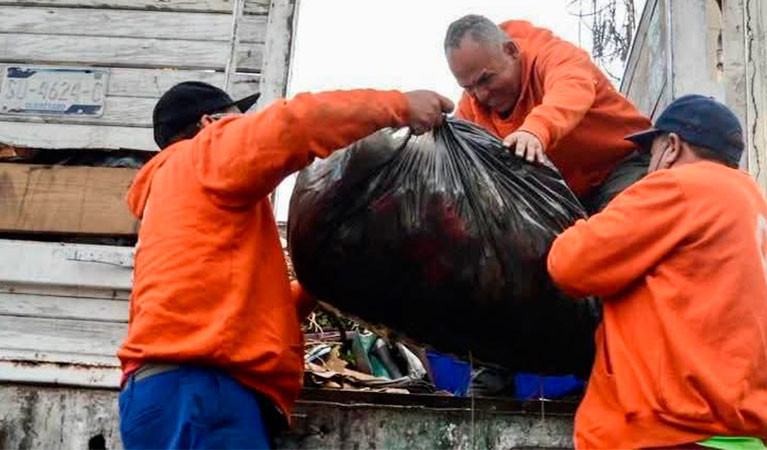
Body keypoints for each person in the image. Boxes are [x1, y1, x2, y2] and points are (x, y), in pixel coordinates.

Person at [117, 81, 453, 449]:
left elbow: (245, 315)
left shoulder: (176, 199)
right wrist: (400, 106)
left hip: (156, 395)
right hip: (202, 394)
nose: (244, 126)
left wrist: (314, 288)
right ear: (209, 122)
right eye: (238, 119)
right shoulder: (206, 153)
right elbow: (297, 122)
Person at [547, 95, 767, 449]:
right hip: (741, 431)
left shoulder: (680, 186)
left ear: (672, 147)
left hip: (671, 430)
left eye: (650, 155)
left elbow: (570, 264)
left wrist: (576, 225)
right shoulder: (753, 207)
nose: (648, 169)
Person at [444, 14, 652, 213]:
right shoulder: (470, 108)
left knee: (619, 227)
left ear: (511, 51)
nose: (481, 95)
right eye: (469, 88)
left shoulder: (553, 54)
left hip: (624, 164)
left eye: (486, 79)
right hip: (565, 200)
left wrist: (535, 130)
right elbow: (454, 158)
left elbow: (571, 88)